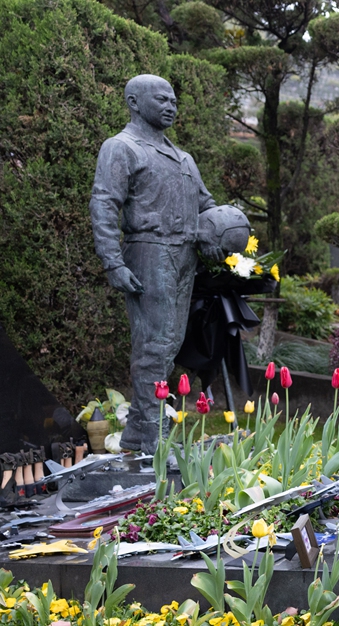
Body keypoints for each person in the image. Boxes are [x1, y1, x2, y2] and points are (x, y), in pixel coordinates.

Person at [90, 74, 222, 453]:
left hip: (185, 256)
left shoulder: (183, 158)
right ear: (134, 102)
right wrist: (113, 262)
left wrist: (225, 230)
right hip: (148, 251)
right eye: (161, 100)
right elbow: (103, 203)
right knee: (154, 345)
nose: (170, 106)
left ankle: (137, 430)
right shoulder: (121, 147)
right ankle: (150, 430)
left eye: (174, 101)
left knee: (169, 344)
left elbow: (207, 206)